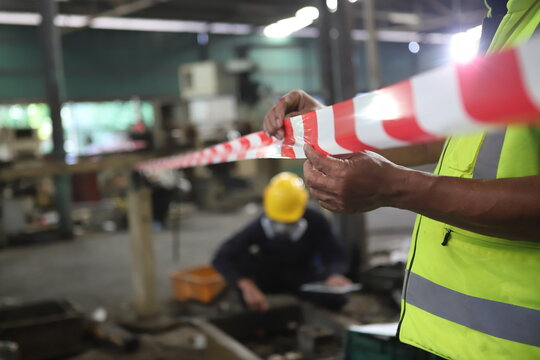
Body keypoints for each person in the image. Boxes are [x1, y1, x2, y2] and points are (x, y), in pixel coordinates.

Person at [262, 1, 540, 358]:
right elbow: (453, 134)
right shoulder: (505, 20)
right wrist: (329, 129)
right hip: (440, 336)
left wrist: (396, 186)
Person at [212, 172, 352, 312]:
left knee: (337, 299)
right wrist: (246, 284)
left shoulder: (316, 220)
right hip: (268, 276)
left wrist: (334, 274)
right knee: (245, 290)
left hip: (303, 277)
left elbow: (335, 253)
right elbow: (223, 256)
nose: (284, 226)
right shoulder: (258, 225)